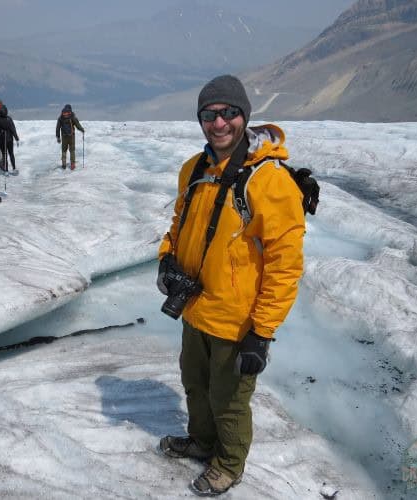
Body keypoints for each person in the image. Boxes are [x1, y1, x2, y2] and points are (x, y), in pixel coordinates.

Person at [156, 74, 305, 496]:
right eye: (209, 115)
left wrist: (262, 332)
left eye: (228, 114)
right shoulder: (195, 169)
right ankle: (203, 442)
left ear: (244, 116)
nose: (219, 124)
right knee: (195, 386)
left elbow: (285, 264)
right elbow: (178, 225)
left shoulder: (269, 180)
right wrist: (167, 259)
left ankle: (228, 463)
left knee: (230, 400)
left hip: (237, 321)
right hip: (195, 309)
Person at [55, 104, 84, 170]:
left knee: (64, 150)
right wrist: (82, 130)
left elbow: (57, 128)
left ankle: (64, 164)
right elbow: (77, 125)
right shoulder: (72, 116)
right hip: (71, 136)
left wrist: (58, 137)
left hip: (64, 136)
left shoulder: (61, 118)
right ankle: (72, 164)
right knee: (72, 150)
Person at [0, 103, 20, 172]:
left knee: (4, 155)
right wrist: (16, 138)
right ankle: (14, 168)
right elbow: (13, 129)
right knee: (11, 154)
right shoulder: (9, 119)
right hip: (9, 139)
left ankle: (6, 170)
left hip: (2, 140)